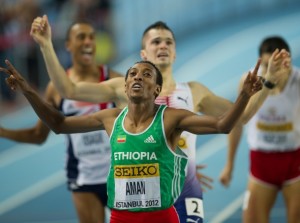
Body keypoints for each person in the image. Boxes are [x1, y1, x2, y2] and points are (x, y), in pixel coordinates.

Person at [29, 15, 290, 222]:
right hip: (137, 198)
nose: (163, 45)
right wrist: (46, 46)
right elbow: (69, 91)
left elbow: (239, 118)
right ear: (143, 53)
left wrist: (267, 84)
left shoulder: (195, 91)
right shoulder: (124, 86)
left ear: (175, 53)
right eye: (156, 42)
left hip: (184, 190)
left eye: (168, 42)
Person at [1, 58, 262, 223]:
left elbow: (222, 124)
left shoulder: (171, 119)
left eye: (146, 75)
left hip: (161, 217)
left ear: (157, 90)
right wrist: (28, 91)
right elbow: (58, 125)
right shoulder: (110, 119)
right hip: (120, 218)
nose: (138, 77)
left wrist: (245, 96)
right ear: (125, 87)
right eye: (133, 74)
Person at [0, 21, 122, 223]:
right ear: (68, 45)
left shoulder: (113, 80)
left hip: (118, 173)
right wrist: (3, 132)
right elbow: (39, 135)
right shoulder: (56, 89)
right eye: (81, 37)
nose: (88, 42)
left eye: (91, 37)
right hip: (83, 179)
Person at [219, 36, 300, 223]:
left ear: (287, 61)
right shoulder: (250, 81)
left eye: (277, 64)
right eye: (266, 65)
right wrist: (229, 164)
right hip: (261, 163)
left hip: (294, 160)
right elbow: (241, 120)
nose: (270, 69)